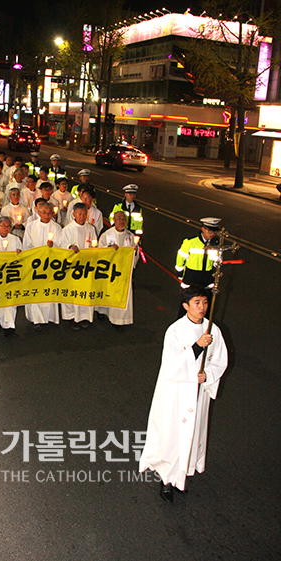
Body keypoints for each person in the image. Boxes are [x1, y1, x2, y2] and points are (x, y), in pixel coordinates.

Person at [138, 285, 228, 502]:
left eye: (205, 302)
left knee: (192, 432)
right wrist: (197, 346)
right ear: (186, 306)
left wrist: (207, 375)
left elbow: (220, 359)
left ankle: (182, 475)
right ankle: (167, 479)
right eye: (197, 303)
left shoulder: (212, 329)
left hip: (198, 392)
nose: (202, 307)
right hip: (177, 393)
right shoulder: (175, 331)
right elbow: (171, 368)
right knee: (173, 434)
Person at [23, 202, 62, 331]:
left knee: (48, 292)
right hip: (35, 264)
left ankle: (49, 317)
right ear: (38, 213)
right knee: (35, 292)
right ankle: (36, 319)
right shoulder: (31, 226)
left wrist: (53, 246)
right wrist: (36, 255)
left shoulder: (56, 228)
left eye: (49, 213)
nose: (46, 215)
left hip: (50, 265)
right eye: (44, 212)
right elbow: (27, 244)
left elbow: (61, 245)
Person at [98, 210, 139, 330]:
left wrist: (135, 250)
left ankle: (118, 320)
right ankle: (102, 312)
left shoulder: (130, 236)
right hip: (109, 270)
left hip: (124, 271)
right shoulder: (107, 235)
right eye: (119, 219)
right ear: (114, 221)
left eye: (123, 219)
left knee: (121, 295)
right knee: (108, 293)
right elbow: (99, 250)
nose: (121, 221)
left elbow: (134, 256)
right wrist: (108, 248)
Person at [60, 203, 97, 330]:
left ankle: (84, 316)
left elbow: (95, 244)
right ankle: (71, 317)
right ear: (74, 214)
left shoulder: (91, 229)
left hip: (86, 265)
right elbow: (61, 245)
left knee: (85, 290)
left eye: (84, 214)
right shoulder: (67, 229)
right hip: (72, 266)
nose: (82, 217)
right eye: (79, 214)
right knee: (72, 291)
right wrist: (69, 247)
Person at [176, 217, 221, 318]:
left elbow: (215, 259)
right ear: (203, 228)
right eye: (210, 231)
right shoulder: (190, 242)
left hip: (207, 277)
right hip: (192, 277)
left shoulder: (215, 243)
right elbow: (180, 259)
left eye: (214, 232)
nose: (212, 234)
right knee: (187, 305)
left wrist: (217, 262)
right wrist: (180, 274)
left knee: (205, 306)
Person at [0, 216, 22, 336]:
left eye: (8, 226)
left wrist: (19, 254)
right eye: (3, 226)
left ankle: (9, 326)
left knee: (10, 301)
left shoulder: (15, 239)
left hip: (10, 274)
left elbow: (21, 254)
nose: (6, 228)